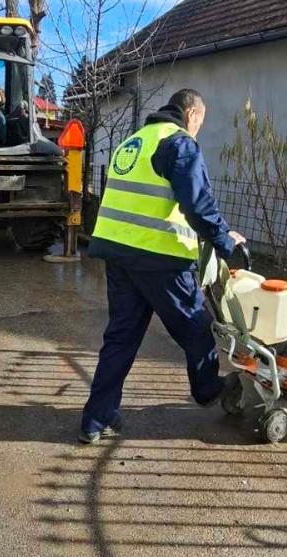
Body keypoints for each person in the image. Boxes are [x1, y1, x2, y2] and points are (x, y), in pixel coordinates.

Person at [79, 88, 245, 444]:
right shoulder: (179, 143)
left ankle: (96, 418)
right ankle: (207, 390)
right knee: (197, 328)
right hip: (159, 257)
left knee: (120, 338)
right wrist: (225, 241)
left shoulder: (134, 142)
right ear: (192, 114)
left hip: (117, 253)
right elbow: (198, 204)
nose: (199, 128)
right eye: (201, 121)